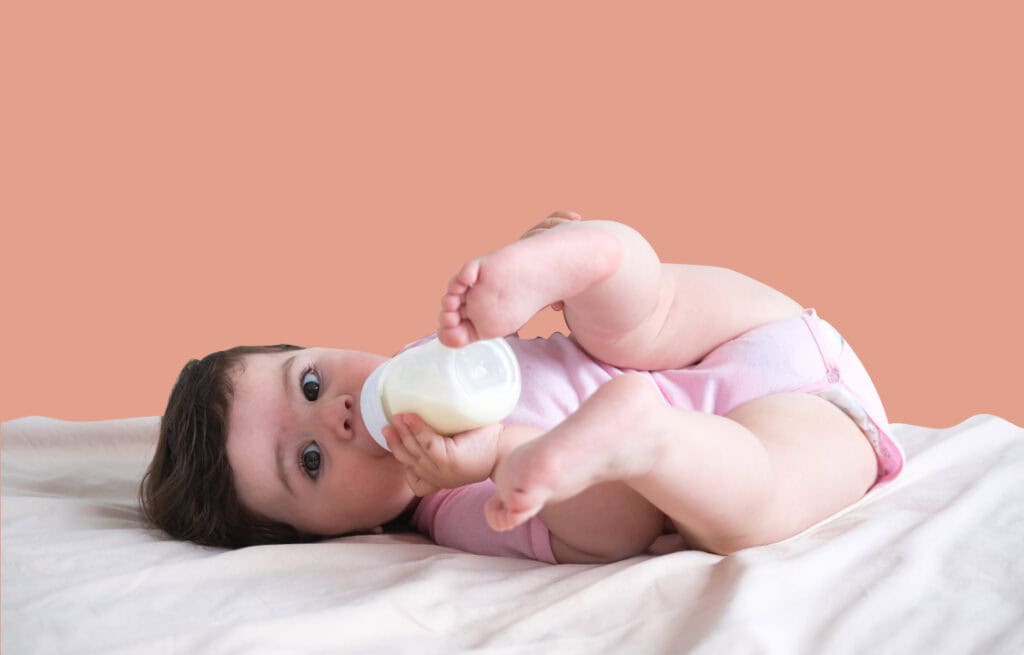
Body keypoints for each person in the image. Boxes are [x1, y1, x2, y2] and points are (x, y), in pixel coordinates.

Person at [140, 211, 903, 564]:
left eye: (309, 381)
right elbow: (619, 526)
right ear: (342, 536)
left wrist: (502, 306)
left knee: (637, 318)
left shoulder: (436, 350)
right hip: (790, 414)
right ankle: (644, 427)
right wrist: (500, 454)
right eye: (308, 461)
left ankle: (580, 261)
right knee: (750, 499)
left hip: (720, 336)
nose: (337, 415)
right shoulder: (453, 507)